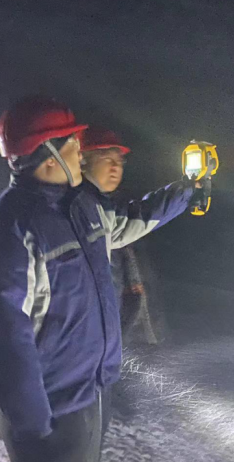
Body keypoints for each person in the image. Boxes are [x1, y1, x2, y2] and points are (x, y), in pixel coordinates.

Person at [0, 96, 201, 462]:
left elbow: (132, 220)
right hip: (52, 410)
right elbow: (1, 337)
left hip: (92, 392)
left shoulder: (81, 208)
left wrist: (185, 193)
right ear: (49, 156)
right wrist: (34, 422)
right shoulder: (7, 230)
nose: (81, 153)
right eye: (73, 145)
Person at [79, 127, 161, 345]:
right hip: (99, 338)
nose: (115, 167)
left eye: (119, 161)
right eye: (106, 159)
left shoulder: (119, 208)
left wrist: (188, 189)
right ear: (83, 160)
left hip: (128, 333)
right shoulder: (77, 213)